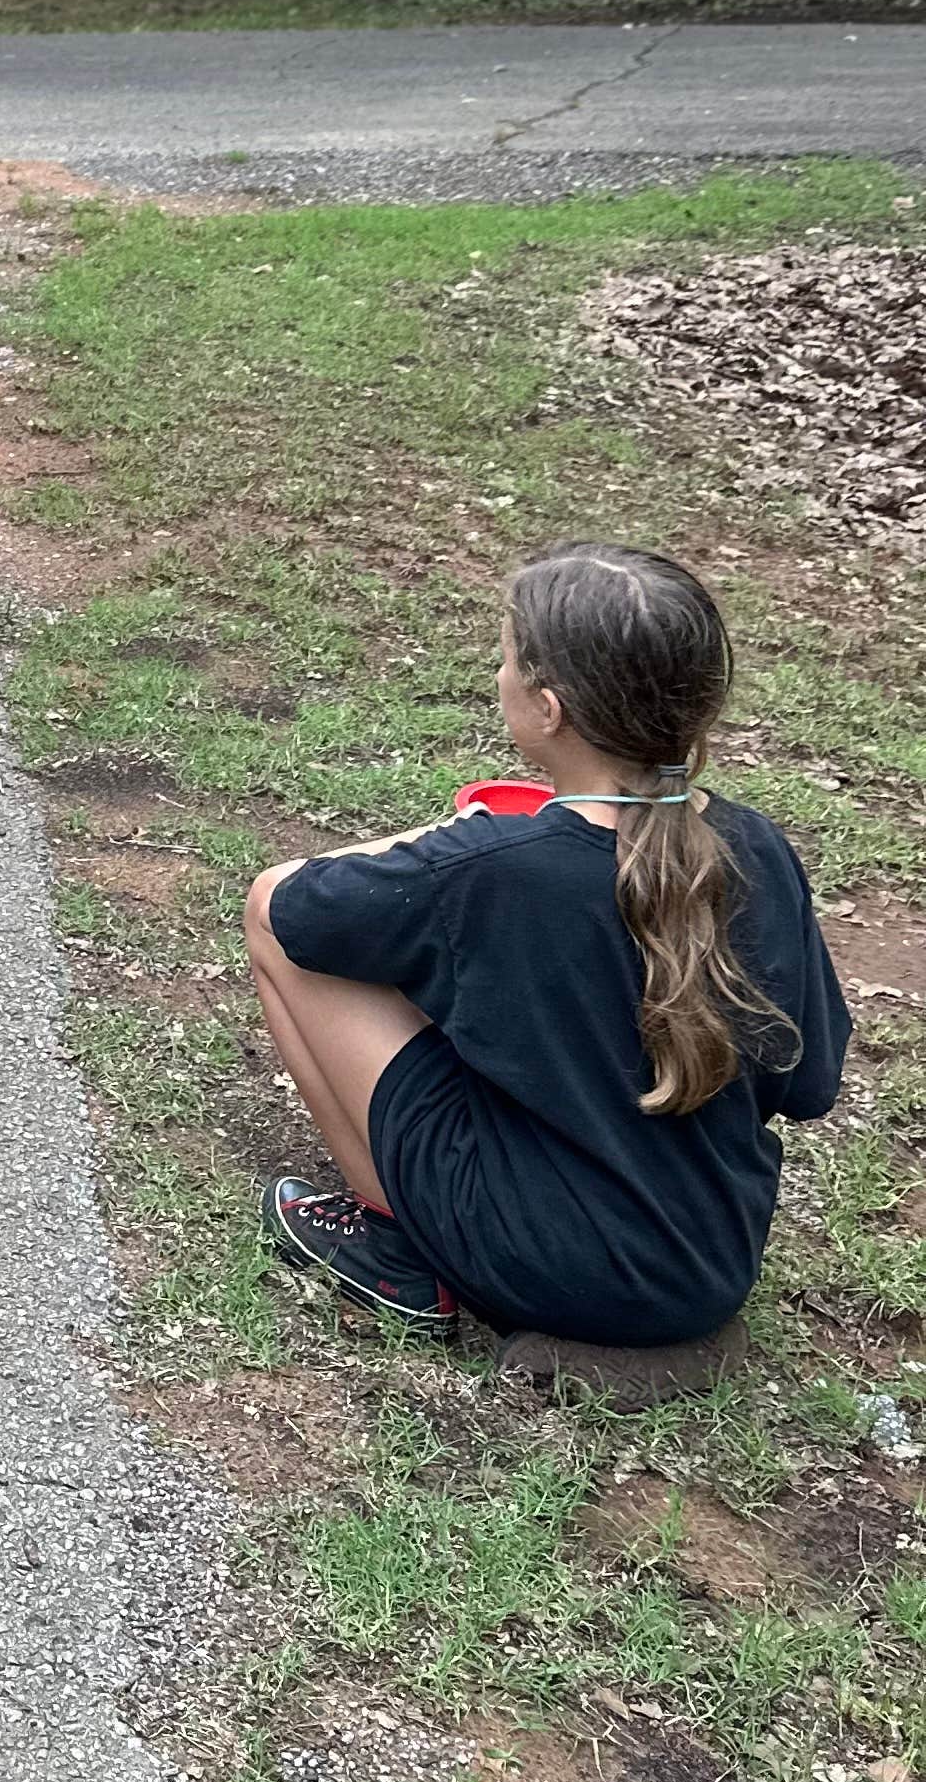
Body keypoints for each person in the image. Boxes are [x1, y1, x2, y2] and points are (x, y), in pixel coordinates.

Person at [243, 543, 851, 1342]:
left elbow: (296, 907)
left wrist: (452, 834)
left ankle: (396, 1245)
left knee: (268, 915)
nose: (498, 678)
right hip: (709, 1266)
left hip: (547, 1270)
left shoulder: (496, 867)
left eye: (505, 661)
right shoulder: (757, 844)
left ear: (548, 708)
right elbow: (807, 1084)